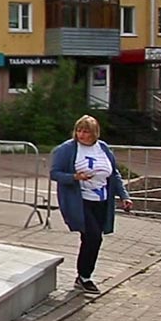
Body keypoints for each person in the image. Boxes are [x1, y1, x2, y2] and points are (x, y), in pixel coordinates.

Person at [50, 115, 133, 295]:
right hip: (80, 202)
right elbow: (55, 173)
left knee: (91, 239)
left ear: (94, 133)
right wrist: (74, 177)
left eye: (86, 131)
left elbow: (114, 174)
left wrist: (124, 196)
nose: (81, 134)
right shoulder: (67, 149)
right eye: (79, 130)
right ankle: (84, 277)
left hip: (101, 201)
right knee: (93, 236)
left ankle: (84, 275)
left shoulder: (102, 147)